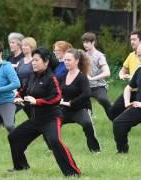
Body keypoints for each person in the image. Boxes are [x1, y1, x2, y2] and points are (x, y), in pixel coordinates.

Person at [8, 48, 81, 177]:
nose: (33, 63)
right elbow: (23, 90)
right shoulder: (32, 76)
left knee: (55, 141)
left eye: (36, 60)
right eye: (32, 60)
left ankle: (73, 173)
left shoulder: (51, 78)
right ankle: (21, 167)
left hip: (51, 118)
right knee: (14, 137)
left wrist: (37, 101)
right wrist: (18, 97)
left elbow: (57, 97)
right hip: (36, 120)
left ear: (46, 62)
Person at [59, 48, 101, 152]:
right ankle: (54, 148)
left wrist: (71, 103)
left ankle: (95, 150)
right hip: (65, 109)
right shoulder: (63, 76)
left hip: (81, 109)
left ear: (77, 61)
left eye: (69, 60)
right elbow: (58, 92)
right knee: (51, 123)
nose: (66, 62)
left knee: (87, 124)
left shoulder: (82, 77)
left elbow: (87, 94)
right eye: (65, 60)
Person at [108, 30, 141, 120]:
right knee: (112, 113)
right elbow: (123, 70)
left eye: (134, 39)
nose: (132, 42)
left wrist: (132, 77)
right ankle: (120, 125)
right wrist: (122, 75)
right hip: (130, 90)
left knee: (137, 115)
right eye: (131, 40)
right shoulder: (131, 55)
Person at [81, 32, 111, 120]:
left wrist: (92, 78)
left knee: (103, 100)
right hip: (86, 86)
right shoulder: (83, 55)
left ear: (93, 42)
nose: (85, 44)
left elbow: (107, 73)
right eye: (83, 42)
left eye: (87, 42)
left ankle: (114, 117)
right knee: (79, 98)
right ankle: (89, 117)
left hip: (98, 86)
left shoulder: (99, 56)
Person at [15, 37, 37, 117]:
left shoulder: (35, 61)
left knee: (32, 116)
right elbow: (16, 76)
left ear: (32, 47)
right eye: (22, 45)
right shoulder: (21, 61)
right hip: (19, 92)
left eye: (26, 45)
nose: (23, 47)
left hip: (30, 92)